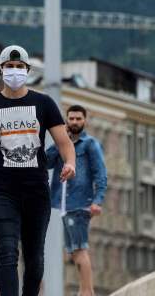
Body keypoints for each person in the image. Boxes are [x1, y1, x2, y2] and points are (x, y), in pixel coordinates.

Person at [0, 45, 76, 296]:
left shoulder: (43, 103)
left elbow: (64, 142)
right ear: (0, 70)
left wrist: (70, 163)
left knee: (35, 257)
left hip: (36, 190)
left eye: (19, 67)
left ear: (27, 70)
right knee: (6, 249)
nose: (14, 71)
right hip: (2, 190)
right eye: (9, 66)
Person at [45, 105, 108, 296]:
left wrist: (97, 201)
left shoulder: (90, 144)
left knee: (80, 249)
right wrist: (59, 142)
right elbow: (46, 162)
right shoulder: (61, 143)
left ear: (85, 121)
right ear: (66, 120)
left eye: (78, 119)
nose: (74, 122)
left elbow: (101, 175)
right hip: (63, 204)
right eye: (71, 118)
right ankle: (84, 290)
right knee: (73, 251)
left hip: (81, 203)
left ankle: (87, 292)